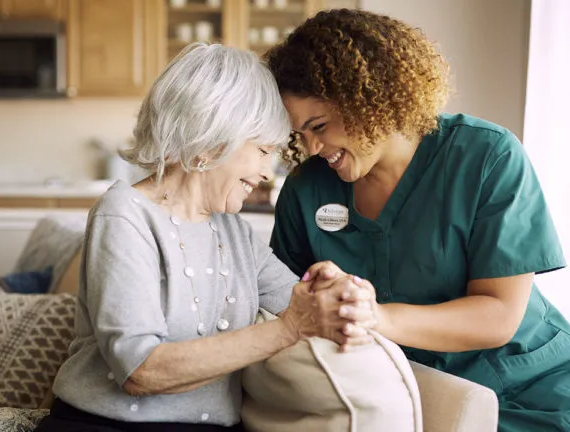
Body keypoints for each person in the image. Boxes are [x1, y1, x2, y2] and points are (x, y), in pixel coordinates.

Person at [34, 43, 375, 432]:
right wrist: (288, 329)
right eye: (263, 150)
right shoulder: (124, 215)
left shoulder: (235, 233)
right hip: (104, 425)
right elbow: (140, 371)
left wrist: (340, 291)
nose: (267, 172)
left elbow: (300, 301)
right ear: (212, 138)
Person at [265, 8, 570, 432]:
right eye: (299, 134)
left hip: (532, 386)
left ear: (368, 98)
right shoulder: (306, 190)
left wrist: (377, 317)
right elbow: (283, 304)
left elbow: (499, 314)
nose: (313, 147)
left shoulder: (486, 157)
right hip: (406, 393)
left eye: (320, 126)